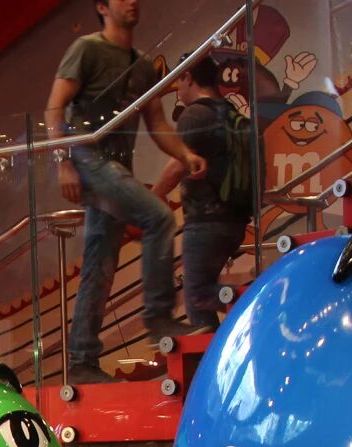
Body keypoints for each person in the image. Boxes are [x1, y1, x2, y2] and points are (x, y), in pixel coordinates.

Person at [46, 0, 204, 382]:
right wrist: (64, 161)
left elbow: (157, 122)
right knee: (159, 217)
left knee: (99, 264)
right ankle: (158, 317)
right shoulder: (86, 49)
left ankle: (81, 361)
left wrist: (184, 154)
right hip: (90, 159)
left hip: (116, 165)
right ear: (102, 7)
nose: (132, 1)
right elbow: (54, 108)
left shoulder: (142, 64)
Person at [152, 58, 254, 332]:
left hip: (205, 220)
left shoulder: (196, 114)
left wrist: (154, 195)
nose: (177, 89)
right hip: (234, 220)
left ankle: (258, 302)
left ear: (188, 77)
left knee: (197, 295)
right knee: (204, 292)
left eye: (178, 81)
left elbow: (178, 164)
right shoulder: (231, 114)